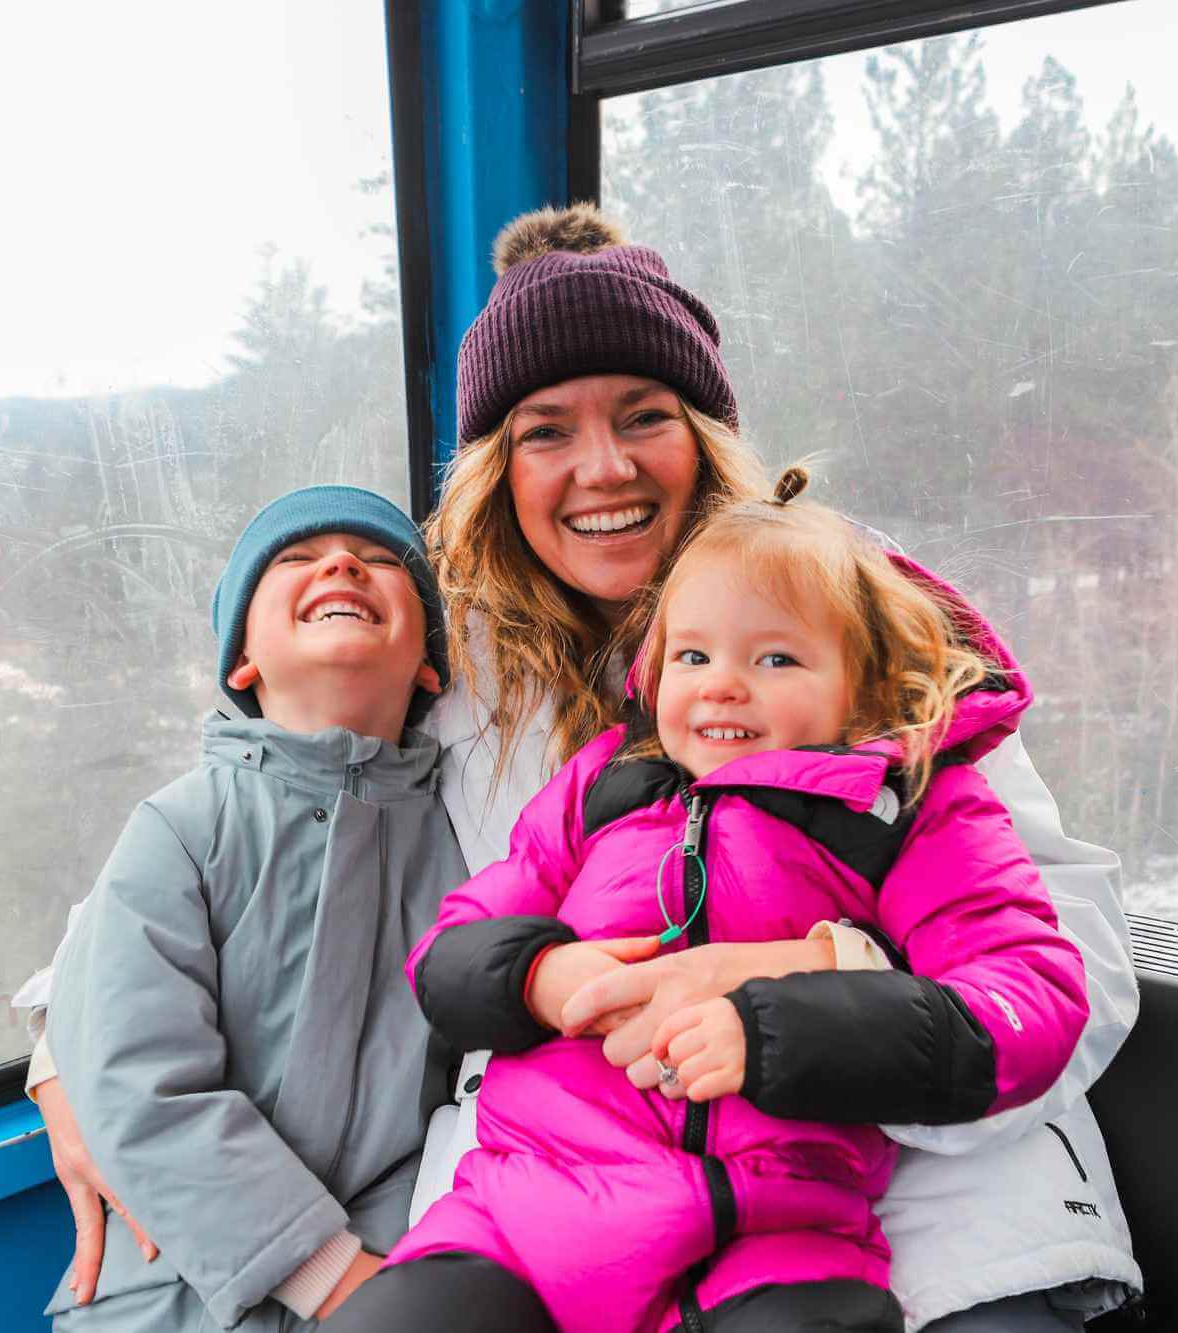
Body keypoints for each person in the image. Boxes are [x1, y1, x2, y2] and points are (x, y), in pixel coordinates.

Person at [20, 203, 1142, 1330]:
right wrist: (65, 1049)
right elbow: (259, 810)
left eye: (642, 415)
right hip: (570, 1200)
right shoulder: (459, 659)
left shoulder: (852, 622)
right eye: (545, 430)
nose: (600, 468)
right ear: (496, 471)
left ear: (704, 435)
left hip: (912, 1198)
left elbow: (1067, 963)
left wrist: (809, 970)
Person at [323, 473, 1090, 1333]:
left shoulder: (905, 808)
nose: (722, 684)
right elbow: (451, 944)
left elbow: (1029, 998)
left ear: (863, 681)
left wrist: (773, 1023)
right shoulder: (606, 787)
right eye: (693, 655)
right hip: (521, 1217)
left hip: (766, 1236)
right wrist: (538, 975)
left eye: (775, 658)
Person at [38, 486, 468, 1331]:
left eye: (380, 560)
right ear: (244, 663)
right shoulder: (181, 828)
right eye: (296, 561)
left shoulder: (460, 845)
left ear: (429, 665)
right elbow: (138, 1080)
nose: (341, 563)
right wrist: (332, 1275)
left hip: (395, 1272)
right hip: (167, 1292)